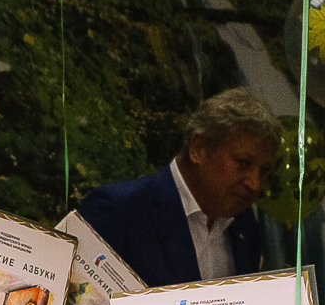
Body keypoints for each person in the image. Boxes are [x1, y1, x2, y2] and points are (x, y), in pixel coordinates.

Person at [74, 89, 277, 287]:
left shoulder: (246, 228)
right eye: (242, 163)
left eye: (264, 171)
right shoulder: (118, 210)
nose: (255, 183)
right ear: (198, 149)